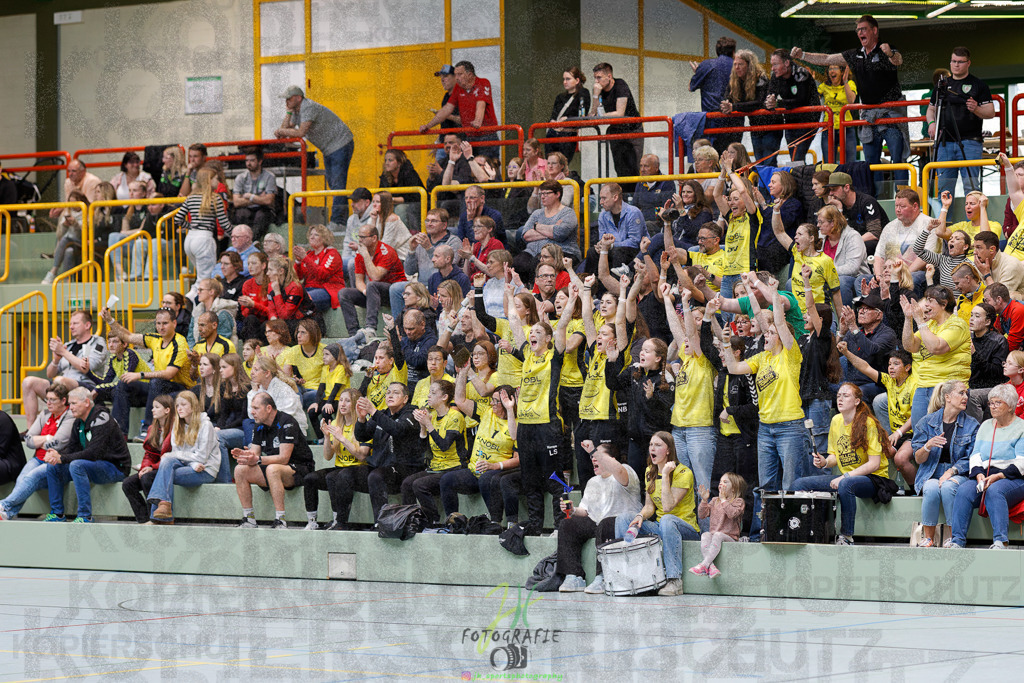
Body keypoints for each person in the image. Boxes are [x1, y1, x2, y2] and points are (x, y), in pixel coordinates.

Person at [792, 14, 909, 190]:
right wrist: (803, 55)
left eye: (863, 29)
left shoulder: (887, 49)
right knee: (870, 163)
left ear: (874, 31)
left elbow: (897, 60)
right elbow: (826, 59)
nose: (860, 33)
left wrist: (890, 53)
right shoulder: (855, 55)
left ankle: (903, 198)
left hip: (891, 114)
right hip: (868, 117)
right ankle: (872, 199)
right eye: (858, 30)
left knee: (898, 159)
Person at [721, 278, 807, 491]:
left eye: (770, 334)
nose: (765, 336)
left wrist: (773, 292)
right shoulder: (761, 358)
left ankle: (792, 523)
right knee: (766, 485)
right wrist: (725, 343)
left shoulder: (790, 354)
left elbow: (778, 322)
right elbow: (733, 368)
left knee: (790, 484)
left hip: (789, 425)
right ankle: (767, 524)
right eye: (765, 333)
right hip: (765, 427)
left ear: (781, 337)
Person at [507, 287, 575, 534]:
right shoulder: (526, 353)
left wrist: (573, 300)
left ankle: (563, 525)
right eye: (531, 332)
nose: (532, 334)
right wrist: (508, 291)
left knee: (556, 481)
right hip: (526, 428)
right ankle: (535, 527)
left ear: (547, 339)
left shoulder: (554, 356)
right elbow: (514, 320)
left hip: (548, 426)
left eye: (538, 332)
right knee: (530, 482)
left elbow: (563, 324)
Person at [792, 383, 891, 546]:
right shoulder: (836, 420)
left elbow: (874, 464)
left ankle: (847, 536)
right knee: (799, 484)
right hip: (847, 477)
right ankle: (809, 532)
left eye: (846, 396)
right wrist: (824, 462)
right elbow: (834, 456)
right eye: (838, 395)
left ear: (857, 401)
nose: (840, 399)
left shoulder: (868, 423)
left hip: (874, 479)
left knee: (846, 484)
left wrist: (845, 476)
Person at [615, 431, 698, 597]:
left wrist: (666, 475)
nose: (652, 448)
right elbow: (649, 506)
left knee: (667, 519)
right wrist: (640, 516)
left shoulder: (684, 473)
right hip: (662, 527)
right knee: (624, 519)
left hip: (686, 529)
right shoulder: (649, 472)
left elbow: (667, 506)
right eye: (651, 445)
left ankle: (674, 580)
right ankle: (626, 576)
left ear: (668, 450)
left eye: (658, 445)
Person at [556, 442, 641, 594]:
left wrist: (594, 451)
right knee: (567, 524)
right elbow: (586, 511)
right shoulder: (592, 482)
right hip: (598, 523)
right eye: (592, 456)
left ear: (612, 459)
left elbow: (619, 470)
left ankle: (603, 577)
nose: (593, 458)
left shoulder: (626, 471)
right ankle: (574, 575)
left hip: (621, 523)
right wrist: (573, 509)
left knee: (606, 523)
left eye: (598, 455)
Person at [948, 384, 1024, 549]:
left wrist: (999, 476)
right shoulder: (986, 425)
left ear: (1010, 406)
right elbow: (975, 454)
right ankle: (957, 541)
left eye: (998, 403)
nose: (993, 407)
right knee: (964, 490)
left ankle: (1000, 540)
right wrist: (978, 474)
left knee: (995, 490)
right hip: (986, 474)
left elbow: (1022, 461)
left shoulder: (1021, 427)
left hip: (1013, 477)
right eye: (991, 403)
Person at [42, 388, 132, 523]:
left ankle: (85, 515)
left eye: (74, 403)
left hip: (115, 468)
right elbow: (72, 448)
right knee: (53, 467)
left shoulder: (102, 418)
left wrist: (62, 458)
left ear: (86, 403)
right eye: (70, 404)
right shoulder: (78, 422)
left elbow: (93, 453)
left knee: (77, 465)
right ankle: (57, 513)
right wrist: (57, 456)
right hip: (94, 465)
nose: (70, 408)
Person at [910, 379, 979, 547]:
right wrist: (927, 446)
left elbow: (972, 457)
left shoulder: (972, 424)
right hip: (931, 473)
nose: (966, 397)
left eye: (966, 394)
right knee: (931, 488)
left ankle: (953, 537)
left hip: (958, 473)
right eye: (961, 393)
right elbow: (918, 459)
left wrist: (951, 472)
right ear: (948, 397)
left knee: (948, 487)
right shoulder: (926, 422)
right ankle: (928, 538)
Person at [662, 286, 716, 496]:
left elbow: (691, 333)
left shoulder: (704, 360)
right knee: (684, 484)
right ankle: (691, 528)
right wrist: (667, 300)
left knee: (702, 485)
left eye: (690, 340)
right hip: (679, 428)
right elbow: (677, 329)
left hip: (699, 429)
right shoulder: (685, 358)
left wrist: (685, 304)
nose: (685, 341)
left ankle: (706, 529)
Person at [275, 86, 354, 228]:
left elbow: (300, 132)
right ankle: (342, 221)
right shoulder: (296, 110)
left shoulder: (308, 107)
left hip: (340, 144)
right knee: (335, 185)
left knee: (338, 185)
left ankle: (337, 222)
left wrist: (281, 130)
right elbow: (285, 132)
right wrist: (288, 113)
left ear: (298, 98)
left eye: (289, 98)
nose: (286, 101)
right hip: (329, 148)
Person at [233, 392, 315, 529]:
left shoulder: (287, 422)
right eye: (252, 408)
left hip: (299, 468)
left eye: (256, 408)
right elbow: (255, 453)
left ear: (269, 408)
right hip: (275, 467)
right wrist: (245, 456)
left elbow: (284, 458)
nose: (252, 412)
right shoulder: (259, 425)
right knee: (240, 470)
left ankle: (280, 519)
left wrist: (256, 459)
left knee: (273, 469)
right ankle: (249, 518)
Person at [104, 307, 190, 434]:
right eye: (158, 323)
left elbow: (169, 374)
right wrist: (110, 320)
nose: (161, 327)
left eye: (165, 323)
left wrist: (140, 375)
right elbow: (128, 337)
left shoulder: (180, 343)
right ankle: (120, 434)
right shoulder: (155, 339)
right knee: (124, 384)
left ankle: (148, 429)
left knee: (156, 382)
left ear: (174, 323)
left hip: (180, 390)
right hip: (158, 388)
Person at [926, 48, 994, 199]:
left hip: (970, 142)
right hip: (944, 144)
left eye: (960, 62)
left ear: (968, 63)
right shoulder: (941, 85)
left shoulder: (978, 85)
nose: (956, 65)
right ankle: (944, 222)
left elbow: (990, 112)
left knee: (971, 188)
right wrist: (931, 123)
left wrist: (976, 108)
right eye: (953, 61)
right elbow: (931, 110)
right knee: (943, 189)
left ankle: (975, 223)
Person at [901, 286, 971, 431]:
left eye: (930, 301)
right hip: (922, 386)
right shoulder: (930, 325)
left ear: (944, 304)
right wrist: (908, 319)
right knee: (920, 434)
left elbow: (937, 348)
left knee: (944, 435)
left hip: (948, 387)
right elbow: (910, 347)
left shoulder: (957, 324)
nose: (926, 305)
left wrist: (920, 321)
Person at [21, 310, 108, 426]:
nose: (71, 327)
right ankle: (30, 429)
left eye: (75, 323)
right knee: (28, 382)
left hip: (87, 387)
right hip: (63, 385)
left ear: (87, 325)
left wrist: (63, 351)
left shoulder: (98, 342)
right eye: (70, 324)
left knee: (60, 381)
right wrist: (56, 360)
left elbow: (88, 367)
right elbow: (50, 374)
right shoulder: (70, 345)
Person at [0, 385, 72, 520]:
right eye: (47, 400)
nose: (48, 403)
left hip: (55, 462)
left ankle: (4, 505)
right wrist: (47, 438)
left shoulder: (70, 417)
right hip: (38, 459)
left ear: (63, 401)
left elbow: (58, 443)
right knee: (22, 479)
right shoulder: (45, 414)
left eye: (53, 400)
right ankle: (6, 513)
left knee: (31, 477)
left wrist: (40, 441)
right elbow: (28, 439)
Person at [303, 388, 371, 530]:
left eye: (347, 401)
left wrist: (341, 438)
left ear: (355, 404)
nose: (342, 404)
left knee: (334, 477)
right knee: (310, 478)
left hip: (360, 468)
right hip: (340, 468)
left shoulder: (364, 423)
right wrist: (327, 437)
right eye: (340, 400)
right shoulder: (335, 424)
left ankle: (338, 521)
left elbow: (361, 455)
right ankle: (312, 521)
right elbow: (328, 456)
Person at [353, 382, 422, 522]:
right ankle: (340, 522)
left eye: (396, 393)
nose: (390, 395)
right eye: (388, 392)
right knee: (343, 475)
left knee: (376, 476)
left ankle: (381, 522)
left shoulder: (412, 413)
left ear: (405, 399)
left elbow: (397, 430)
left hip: (405, 467)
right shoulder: (383, 414)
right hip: (381, 465)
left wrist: (373, 412)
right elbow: (362, 436)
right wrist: (361, 419)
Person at [146, 392, 220, 523]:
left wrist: (179, 458)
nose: (179, 408)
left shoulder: (206, 425)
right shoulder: (177, 425)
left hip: (205, 470)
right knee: (167, 462)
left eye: (183, 405)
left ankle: (160, 515)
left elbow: (202, 457)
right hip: (191, 466)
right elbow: (177, 455)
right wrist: (191, 463)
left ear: (193, 406)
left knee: (164, 471)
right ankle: (163, 508)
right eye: (177, 405)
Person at [419, 60, 500, 159]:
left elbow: (481, 104)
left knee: (488, 168)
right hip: (468, 136)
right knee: (470, 170)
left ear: (470, 74)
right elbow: (447, 109)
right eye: (456, 75)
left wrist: (478, 121)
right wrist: (428, 126)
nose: (457, 78)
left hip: (487, 135)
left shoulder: (483, 83)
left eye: (460, 74)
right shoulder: (458, 88)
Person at [339, 223, 407, 339]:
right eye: (358, 237)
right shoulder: (361, 254)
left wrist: (365, 255)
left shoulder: (386, 251)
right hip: (374, 292)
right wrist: (365, 291)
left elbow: (376, 276)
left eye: (363, 237)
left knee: (372, 285)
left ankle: (370, 328)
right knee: (344, 293)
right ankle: (354, 333)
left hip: (394, 292)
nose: (359, 240)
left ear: (374, 238)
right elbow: (359, 281)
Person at [121, 394, 173, 524]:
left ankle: (155, 517)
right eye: (152, 407)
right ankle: (143, 519)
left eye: (157, 407)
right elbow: (149, 454)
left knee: (147, 478)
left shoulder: (176, 428)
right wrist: (145, 467)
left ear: (167, 410)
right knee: (128, 483)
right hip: (155, 467)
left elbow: (173, 455)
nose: (152, 410)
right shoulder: (152, 428)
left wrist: (151, 468)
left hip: (169, 467)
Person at [590, 62, 643, 188]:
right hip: (616, 130)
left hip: (633, 129)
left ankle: (634, 197)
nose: (596, 82)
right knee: (620, 167)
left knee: (633, 166)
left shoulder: (620, 85)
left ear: (609, 76)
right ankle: (623, 195)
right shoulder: (600, 90)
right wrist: (595, 95)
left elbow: (620, 113)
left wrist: (601, 116)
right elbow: (593, 113)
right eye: (595, 78)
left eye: (599, 78)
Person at [712, 159, 760, 300]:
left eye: (736, 199)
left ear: (745, 202)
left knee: (743, 315)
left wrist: (730, 170)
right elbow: (716, 195)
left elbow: (743, 190)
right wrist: (722, 171)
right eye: (730, 199)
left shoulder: (752, 216)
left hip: (745, 272)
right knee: (727, 315)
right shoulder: (731, 218)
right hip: (728, 274)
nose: (731, 202)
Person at [872, 189, 933, 295]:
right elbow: (879, 256)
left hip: (916, 273)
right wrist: (878, 277)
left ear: (915, 206)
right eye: (896, 206)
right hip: (890, 273)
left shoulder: (929, 224)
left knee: (914, 278)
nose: (898, 210)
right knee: (862, 279)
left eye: (902, 206)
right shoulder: (890, 227)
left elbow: (925, 257)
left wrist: (903, 275)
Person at [765, 49, 820, 165]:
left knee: (797, 157)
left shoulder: (802, 73)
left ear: (786, 63)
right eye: (772, 65)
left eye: (775, 64)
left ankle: (802, 182)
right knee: (794, 159)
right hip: (791, 120)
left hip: (808, 120)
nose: (772, 68)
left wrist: (778, 104)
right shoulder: (776, 76)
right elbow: (770, 94)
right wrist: (770, 100)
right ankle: (800, 180)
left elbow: (801, 100)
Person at [689, 473, 746, 579]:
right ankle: (711, 567)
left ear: (734, 488)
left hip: (730, 538)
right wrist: (704, 500)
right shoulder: (715, 500)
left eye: (725, 482)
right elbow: (702, 515)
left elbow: (732, 514)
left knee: (718, 535)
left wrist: (724, 500)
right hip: (714, 535)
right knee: (705, 534)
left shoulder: (738, 501)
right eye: (720, 482)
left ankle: (704, 565)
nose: (720, 484)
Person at [720, 50, 772, 163]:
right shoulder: (734, 79)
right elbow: (727, 97)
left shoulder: (761, 78)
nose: (737, 67)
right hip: (755, 126)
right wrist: (725, 105)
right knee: (759, 161)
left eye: (741, 64)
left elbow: (759, 102)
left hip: (770, 126)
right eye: (735, 64)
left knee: (768, 161)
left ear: (749, 65)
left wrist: (733, 107)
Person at [245, 353, 306, 446]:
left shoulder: (283, 390)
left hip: (289, 430)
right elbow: (251, 415)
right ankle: (252, 451)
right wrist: (253, 391)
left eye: (256, 370)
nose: (251, 373)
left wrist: (264, 418)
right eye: (253, 369)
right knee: (248, 423)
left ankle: (253, 453)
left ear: (267, 373)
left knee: (253, 426)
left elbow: (286, 417)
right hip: (270, 427)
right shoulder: (258, 389)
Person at [584, 182, 644, 271]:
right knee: (592, 252)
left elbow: (634, 242)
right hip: (613, 249)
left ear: (615, 197)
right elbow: (602, 238)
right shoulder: (603, 215)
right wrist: (601, 245)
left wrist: (611, 246)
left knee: (619, 252)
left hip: (635, 251)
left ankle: (616, 283)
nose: (601, 202)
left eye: (604, 198)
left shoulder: (633, 212)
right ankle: (592, 282)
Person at [965, 303, 1009, 423]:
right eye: (971, 315)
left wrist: (975, 355)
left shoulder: (998, 341)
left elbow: (998, 372)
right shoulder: (968, 338)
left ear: (987, 321)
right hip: (969, 384)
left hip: (991, 387)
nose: (972, 319)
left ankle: (976, 432)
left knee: (970, 395)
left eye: (977, 316)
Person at [826, 172, 889, 255]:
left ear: (846, 187)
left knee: (862, 246)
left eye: (834, 189)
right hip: (853, 242)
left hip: (877, 243)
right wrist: (839, 210)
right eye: (830, 190)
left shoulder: (867, 202)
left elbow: (874, 233)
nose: (830, 193)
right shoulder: (838, 204)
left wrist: (851, 242)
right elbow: (837, 233)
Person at [210, 353, 250, 483]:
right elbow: (224, 413)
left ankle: (225, 480)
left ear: (235, 367)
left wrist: (222, 429)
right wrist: (218, 427)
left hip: (243, 430)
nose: (220, 370)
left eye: (224, 367)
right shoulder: (224, 386)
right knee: (211, 433)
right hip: (229, 428)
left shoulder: (247, 388)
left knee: (218, 437)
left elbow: (244, 417)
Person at [516, 179, 580, 260]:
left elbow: (560, 233)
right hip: (532, 252)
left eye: (546, 193)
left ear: (557, 194)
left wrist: (536, 227)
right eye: (541, 193)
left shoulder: (568, 213)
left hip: (561, 252)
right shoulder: (537, 213)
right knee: (516, 264)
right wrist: (551, 231)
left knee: (538, 263)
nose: (542, 197)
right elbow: (525, 236)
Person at [690, 37, 736, 146]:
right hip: (735, 118)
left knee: (713, 155)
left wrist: (698, 73)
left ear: (716, 51)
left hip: (713, 119)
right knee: (734, 154)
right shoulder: (738, 66)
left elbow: (690, 87)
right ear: (733, 52)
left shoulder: (706, 65)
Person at [650, 180, 714, 255]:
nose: (685, 194)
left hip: (691, 246)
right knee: (658, 253)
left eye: (689, 192)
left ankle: (636, 261)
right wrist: (666, 219)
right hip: (675, 242)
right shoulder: (678, 209)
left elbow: (692, 232)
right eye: (683, 192)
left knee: (660, 237)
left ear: (697, 194)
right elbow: (669, 232)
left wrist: (681, 210)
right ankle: (639, 264)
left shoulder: (704, 212)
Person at [760, 171, 804, 278]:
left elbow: (779, 224)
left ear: (784, 185)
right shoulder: (770, 201)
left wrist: (764, 206)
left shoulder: (793, 204)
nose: (769, 185)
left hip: (782, 256)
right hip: (764, 255)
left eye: (773, 182)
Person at [293, 224, 346, 312]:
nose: (312, 237)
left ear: (324, 239)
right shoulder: (309, 254)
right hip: (309, 289)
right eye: (311, 234)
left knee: (302, 300)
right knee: (288, 298)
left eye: (316, 235)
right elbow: (297, 277)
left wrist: (305, 258)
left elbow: (322, 274)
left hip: (327, 290)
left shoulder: (332, 253)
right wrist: (298, 262)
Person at [817, 56, 858, 163]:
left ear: (842, 71)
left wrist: (845, 82)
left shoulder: (850, 84)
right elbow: (814, 100)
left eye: (835, 68)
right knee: (829, 162)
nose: (832, 71)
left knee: (850, 162)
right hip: (828, 128)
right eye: (830, 68)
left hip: (846, 127)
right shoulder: (823, 86)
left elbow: (851, 101)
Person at [41, 190, 86, 284]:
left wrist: (76, 225)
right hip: (67, 244)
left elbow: (83, 234)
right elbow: (59, 235)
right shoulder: (66, 212)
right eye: (70, 203)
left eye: (74, 203)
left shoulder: (87, 211)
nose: (72, 206)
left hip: (82, 241)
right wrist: (65, 225)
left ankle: (53, 271)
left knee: (65, 240)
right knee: (68, 252)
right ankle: (67, 280)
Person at [546, 67, 591, 163]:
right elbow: (553, 115)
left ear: (577, 80)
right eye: (564, 79)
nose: (565, 82)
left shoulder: (583, 93)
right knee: (549, 165)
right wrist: (552, 121)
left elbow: (582, 117)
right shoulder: (560, 97)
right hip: (553, 134)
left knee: (562, 165)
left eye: (568, 79)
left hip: (567, 134)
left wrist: (567, 119)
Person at [231, 148, 277, 240]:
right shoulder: (240, 177)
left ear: (260, 161)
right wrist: (259, 199)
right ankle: (243, 240)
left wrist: (249, 196)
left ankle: (252, 242)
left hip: (264, 210)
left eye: (252, 160)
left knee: (261, 216)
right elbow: (236, 202)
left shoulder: (269, 177)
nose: (248, 163)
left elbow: (269, 201)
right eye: (247, 160)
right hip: (246, 209)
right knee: (241, 214)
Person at [913, 224, 970, 290]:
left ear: (965, 246)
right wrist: (927, 230)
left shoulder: (969, 265)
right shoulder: (942, 260)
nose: (951, 240)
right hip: (944, 299)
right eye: (950, 238)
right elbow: (917, 250)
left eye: (957, 239)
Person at [187, 278, 238, 348]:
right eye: (198, 290)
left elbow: (223, 340)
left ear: (211, 292)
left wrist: (204, 353)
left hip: (221, 355)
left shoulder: (223, 313)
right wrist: (193, 351)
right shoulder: (197, 311)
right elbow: (190, 337)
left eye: (201, 290)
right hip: (200, 353)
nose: (198, 292)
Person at [974, 231, 1024, 302]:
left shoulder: (1011, 265)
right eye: (974, 248)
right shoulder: (981, 263)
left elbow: (999, 299)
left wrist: (987, 275)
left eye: (979, 248)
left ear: (992, 249)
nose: (974, 252)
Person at [339, 187, 374, 282]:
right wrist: (344, 259)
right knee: (336, 263)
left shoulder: (373, 218)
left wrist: (358, 248)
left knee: (353, 263)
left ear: (367, 203)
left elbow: (374, 245)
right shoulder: (351, 219)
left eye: (356, 201)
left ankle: (357, 294)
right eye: (352, 201)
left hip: (368, 258)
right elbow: (347, 242)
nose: (352, 204)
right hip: (352, 257)